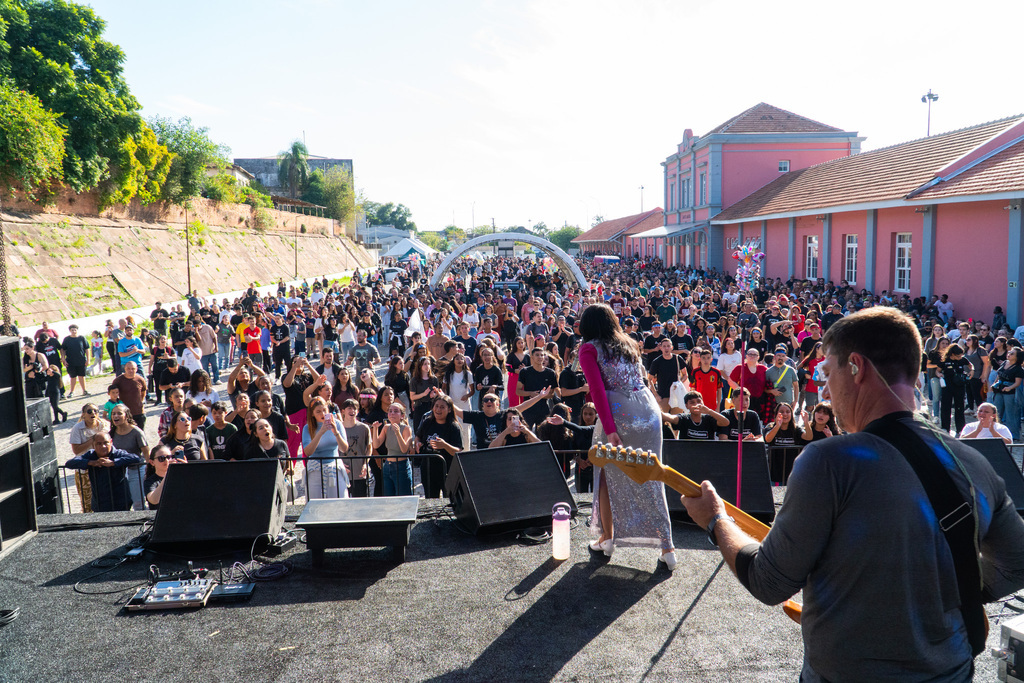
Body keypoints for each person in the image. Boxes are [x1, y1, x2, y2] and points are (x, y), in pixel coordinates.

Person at [682, 306, 1024, 682]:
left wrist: (716, 520)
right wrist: (940, 592)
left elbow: (769, 581)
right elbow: (1016, 564)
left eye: (828, 373)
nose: (825, 389)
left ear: (857, 367)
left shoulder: (829, 460)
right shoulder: (971, 461)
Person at [577, 304, 676, 569]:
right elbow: (640, 383)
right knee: (654, 477)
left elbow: (597, 392)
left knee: (606, 476)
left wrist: (609, 429)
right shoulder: (629, 344)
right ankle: (668, 548)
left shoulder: (588, 349)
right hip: (648, 412)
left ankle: (607, 539)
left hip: (619, 415)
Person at [64, 432, 143, 512]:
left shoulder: (118, 453)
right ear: (93, 445)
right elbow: (70, 463)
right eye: (99, 444)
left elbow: (136, 458)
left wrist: (113, 463)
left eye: (106, 443)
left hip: (120, 500)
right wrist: (91, 462)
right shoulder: (91, 454)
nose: (103, 446)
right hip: (100, 502)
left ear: (111, 442)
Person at [415, 394, 463, 498]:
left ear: (449, 409)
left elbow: (458, 451)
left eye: (442, 407)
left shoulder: (453, 427)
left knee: (449, 500)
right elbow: (418, 436)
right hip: (428, 468)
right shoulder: (427, 422)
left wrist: (445, 445)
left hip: (447, 470)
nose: (438, 409)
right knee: (430, 498)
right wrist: (417, 443)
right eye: (436, 406)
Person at [302, 396, 350, 499]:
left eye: (324, 410)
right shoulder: (307, 428)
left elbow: (344, 448)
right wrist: (321, 432)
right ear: (312, 414)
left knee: (339, 500)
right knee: (315, 503)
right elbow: (308, 452)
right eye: (318, 411)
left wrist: (336, 432)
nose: (322, 414)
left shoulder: (337, 424)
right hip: (315, 468)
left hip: (334, 466)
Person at [109, 404, 149, 511]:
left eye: (119, 413)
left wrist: (149, 470)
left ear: (126, 416)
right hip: (119, 472)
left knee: (138, 503)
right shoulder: (112, 433)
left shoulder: (136, 432)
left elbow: (146, 452)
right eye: (113, 414)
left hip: (136, 470)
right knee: (121, 503)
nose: (115, 416)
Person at [371, 402, 414, 496]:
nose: (392, 413)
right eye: (390, 411)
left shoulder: (406, 429)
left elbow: (404, 450)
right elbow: (376, 445)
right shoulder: (386, 427)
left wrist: (398, 433)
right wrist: (375, 429)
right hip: (387, 466)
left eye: (396, 411)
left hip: (401, 467)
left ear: (402, 416)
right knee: (388, 498)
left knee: (403, 498)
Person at [663, 391, 728, 440]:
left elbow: (726, 422)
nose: (696, 405)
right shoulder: (684, 418)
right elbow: (671, 418)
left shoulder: (709, 419)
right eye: (692, 403)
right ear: (686, 406)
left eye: (699, 401)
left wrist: (709, 411)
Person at [991, 346, 1023, 442]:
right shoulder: (1005, 363)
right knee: (996, 412)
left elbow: (1017, 383)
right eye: (1009, 352)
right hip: (999, 390)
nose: (1009, 354)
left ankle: (1013, 435)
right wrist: (994, 384)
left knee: (1011, 414)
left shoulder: (1018, 369)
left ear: (1017, 357)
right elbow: (999, 375)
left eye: (1012, 353)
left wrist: (1009, 388)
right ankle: (994, 432)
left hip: (1010, 392)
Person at [143, 444, 186, 510]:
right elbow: (154, 500)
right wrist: (168, 474)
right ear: (152, 462)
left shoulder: (179, 477)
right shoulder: (150, 481)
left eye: (169, 457)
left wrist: (187, 471)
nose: (166, 461)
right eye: (161, 458)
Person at [111, 361, 148, 429]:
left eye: (133, 369)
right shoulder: (118, 380)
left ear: (136, 369)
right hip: (124, 413)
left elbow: (143, 392)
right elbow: (113, 394)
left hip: (138, 412)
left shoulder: (140, 379)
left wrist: (139, 402)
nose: (130, 371)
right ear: (124, 369)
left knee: (140, 434)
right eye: (128, 368)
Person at [61, 324, 90, 398]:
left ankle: (84, 390)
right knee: (73, 376)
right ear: (70, 331)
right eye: (72, 330)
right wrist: (63, 359)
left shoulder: (82, 338)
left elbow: (87, 349)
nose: (74, 331)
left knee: (82, 376)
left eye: (75, 330)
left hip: (81, 360)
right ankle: (72, 391)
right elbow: (63, 349)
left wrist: (88, 359)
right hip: (70, 361)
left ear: (77, 330)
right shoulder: (67, 339)